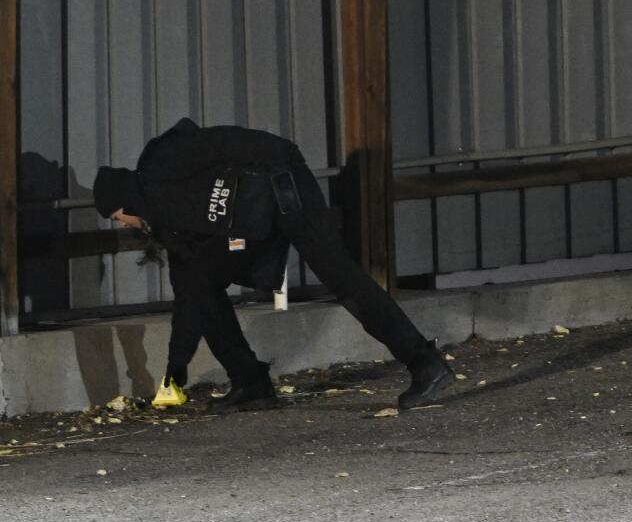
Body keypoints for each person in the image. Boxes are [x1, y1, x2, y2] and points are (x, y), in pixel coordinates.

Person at [93, 119, 453, 413]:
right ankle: (250, 383)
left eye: (117, 216)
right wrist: (176, 367)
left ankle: (425, 364)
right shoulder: (172, 222)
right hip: (259, 212)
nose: (123, 224)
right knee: (202, 286)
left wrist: (279, 162)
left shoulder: (161, 163)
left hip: (283, 179)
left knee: (344, 279)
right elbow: (187, 290)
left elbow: (223, 142)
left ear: (124, 200)